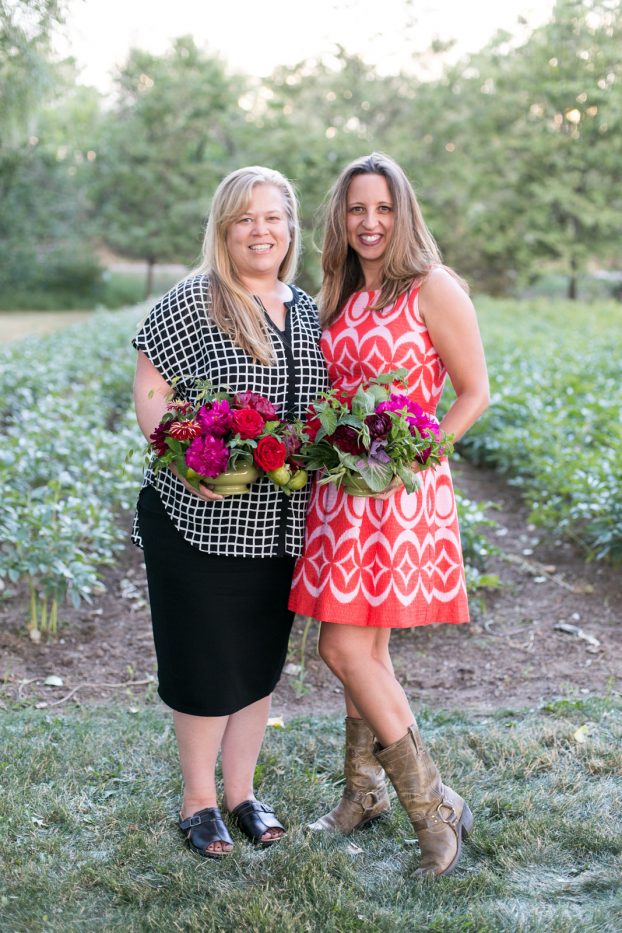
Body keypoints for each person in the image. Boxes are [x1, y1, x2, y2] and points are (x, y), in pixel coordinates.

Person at [289, 152, 490, 877]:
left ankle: (433, 809)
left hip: (399, 493)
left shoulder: (432, 288)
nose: (369, 223)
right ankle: (363, 790)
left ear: (402, 213)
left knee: (343, 650)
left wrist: (416, 454)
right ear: (340, 218)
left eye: (382, 208)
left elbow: (473, 393)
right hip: (342, 493)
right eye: (355, 209)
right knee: (363, 653)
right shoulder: (338, 292)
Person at [132, 166, 329, 858]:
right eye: (245, 218)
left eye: (272, 217)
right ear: (223, 228)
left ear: (290, 228)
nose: (260, 230)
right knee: (204, 664)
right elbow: (151, 388)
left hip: (278, 526)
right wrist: (184, 456)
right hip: (199, 521)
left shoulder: (304, 308)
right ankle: (198, 801)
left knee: (255, 665)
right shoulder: (195, 300)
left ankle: (242, 792)